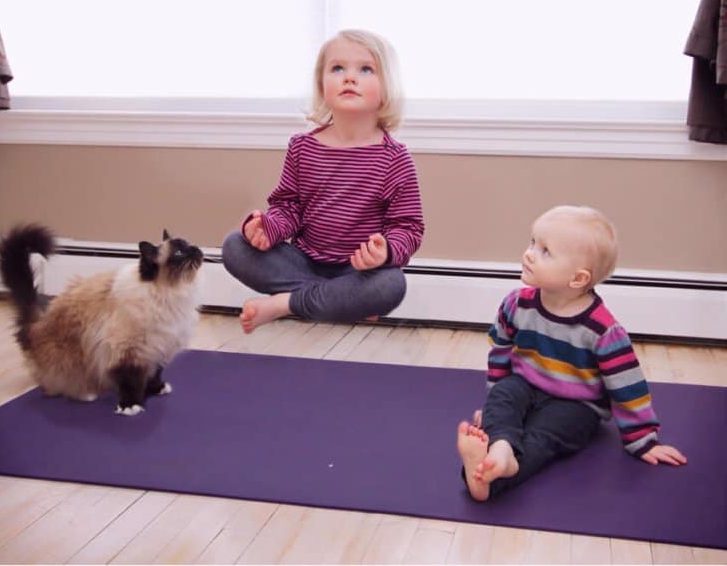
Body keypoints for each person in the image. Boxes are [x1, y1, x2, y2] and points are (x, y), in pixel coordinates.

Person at [456, 205, 687, 502]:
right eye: (532, 243)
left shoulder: (602, 330)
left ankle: (497, 475)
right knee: (504, 395)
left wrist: (642, 440)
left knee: (544, 436)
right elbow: (500, 350)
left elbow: (628, 388)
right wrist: (491, 406)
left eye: (545, 251)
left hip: (577, 405)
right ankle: (500, 445)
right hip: (526, 386)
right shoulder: (516, 304)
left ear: (577, 279)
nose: (529, 253)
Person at [222, 29, 424, 334]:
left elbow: (408, 228)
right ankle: (340, 302)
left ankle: (285, 304)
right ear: (322, 84)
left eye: (365, 69)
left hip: (359, 271)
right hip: (303, 262)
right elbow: (288, 207)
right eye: (337, 68)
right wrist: (268, 228)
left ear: (386, 88)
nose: (349, 78)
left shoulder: (395, 159)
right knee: (235, 246)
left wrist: (385, 252)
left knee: (391, 284)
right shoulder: (302, 147)